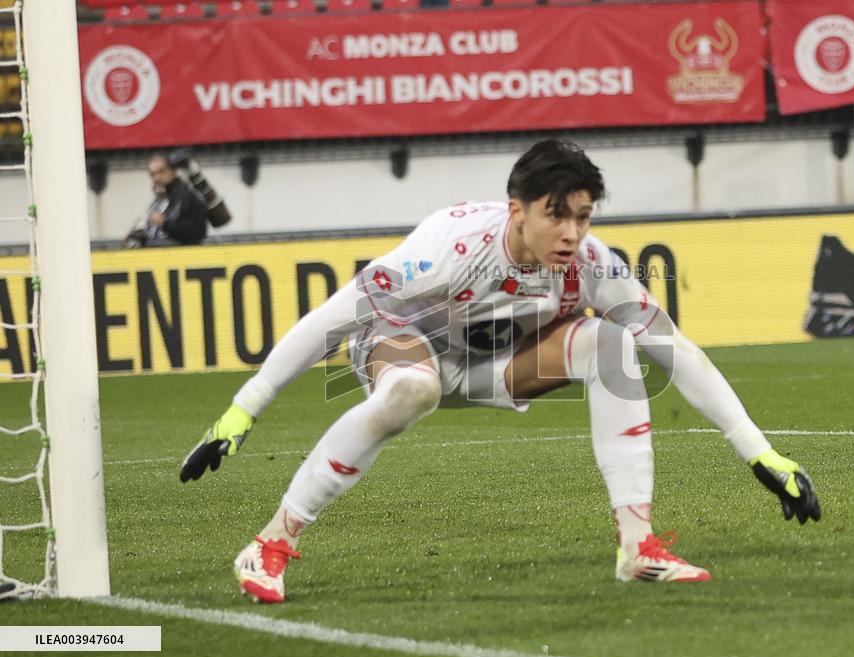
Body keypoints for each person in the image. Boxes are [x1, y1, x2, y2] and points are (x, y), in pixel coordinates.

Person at [180, 139, 820, 604]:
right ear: (518, 210)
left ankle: (638, 548)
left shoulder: (593, 262)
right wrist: (244, 409)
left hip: (495, 367)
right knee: (413, 389)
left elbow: (675, 349)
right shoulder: (448, 250)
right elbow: (333, 318)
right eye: (556, 215)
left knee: (613, 345)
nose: (571, 233)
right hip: (408, 347)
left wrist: (760, 453)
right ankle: (269, 544)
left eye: (583, 216)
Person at [123, 154, 209, 247]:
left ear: (173, 171)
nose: (157, 178)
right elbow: (158, 235)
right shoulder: (157, 202)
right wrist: (141, 238)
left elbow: (199, 232)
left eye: (161, 171)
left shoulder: (189, 197)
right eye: (153, 174)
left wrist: (166, 224)